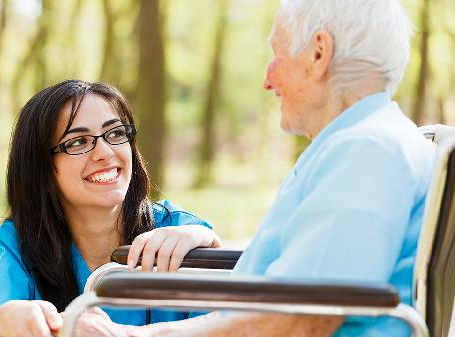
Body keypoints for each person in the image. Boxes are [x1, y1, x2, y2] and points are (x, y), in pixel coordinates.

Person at [72, 0, 436, 336]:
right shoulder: (366, 142)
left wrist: (130, 336)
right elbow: (284, 303)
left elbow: (299, 317)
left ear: (318, 54)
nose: (267, 79)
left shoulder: (365, 152)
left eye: (277, 55)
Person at [0, 80, 221, 337]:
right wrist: (10, 318)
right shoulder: (18, 243)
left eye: (115, 133)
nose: (105, 151)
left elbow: (230, 322)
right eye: (77, 142)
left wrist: (207, 242)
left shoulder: (177, 229)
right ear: (41, 169)